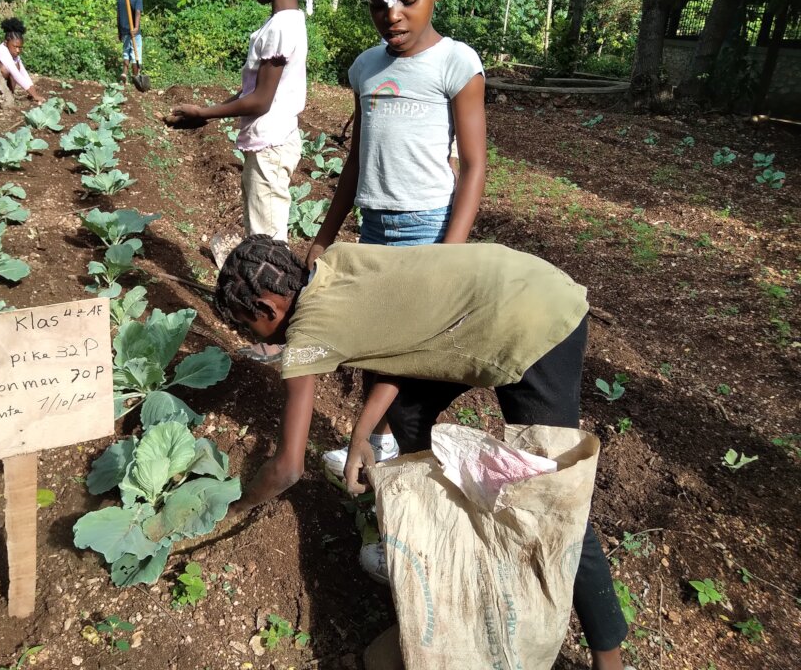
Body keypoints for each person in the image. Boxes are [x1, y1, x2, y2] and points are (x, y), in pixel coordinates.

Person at [215, 235, 628, 670]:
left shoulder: (307, 338)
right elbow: (401, 345)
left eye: (248, 326)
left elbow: (288, 468)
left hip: (536, 321)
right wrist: (361, 433)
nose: (255, 338)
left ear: (266, 308)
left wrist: (235, 507)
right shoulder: (337, 262)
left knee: (554, 501)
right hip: (507, 283)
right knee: (409, 417)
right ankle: (442, 540)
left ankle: (609, 660)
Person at [304, 0, 487, 482]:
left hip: (428, 228)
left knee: (407, 353)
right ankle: (379, 443)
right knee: (374, 341)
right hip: (375, 228)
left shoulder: (456, 64)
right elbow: (356, 160)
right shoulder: (366, 68)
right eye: (377, 4)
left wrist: (450, 251)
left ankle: (397, 454)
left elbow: (475, 166)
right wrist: (325, 235)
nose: (392, 14)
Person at [168, 0, 321, 363]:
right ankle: (279, 327)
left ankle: (279, 338)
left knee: (267, 248)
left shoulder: (280, 29)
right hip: (270, 144)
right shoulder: (286, 23)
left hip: (270, 147)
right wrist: (206, 114)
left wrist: (205, 113)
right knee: (264, 238)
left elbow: (260, 100)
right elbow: (250, 92)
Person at [0, 18, 45, 104]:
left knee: (17, 65)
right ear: (6, 43)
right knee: (5, 69)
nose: (18, 50)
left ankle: (10, 94)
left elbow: (24, 73)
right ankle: (1, 94)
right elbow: (16, 74)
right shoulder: (2, 51)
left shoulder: (14, 55)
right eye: (15, 47)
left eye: (20, 47)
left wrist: (34, 94)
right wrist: (35, 96)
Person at [117, 0, 144, 86]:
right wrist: (136, 27)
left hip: (124, 30)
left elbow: (118, 15)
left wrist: (119, 31)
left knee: (126, 52)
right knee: (135, 54)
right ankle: (136, 78)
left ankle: (124, 73)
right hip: (134, 32)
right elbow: (138, 13)